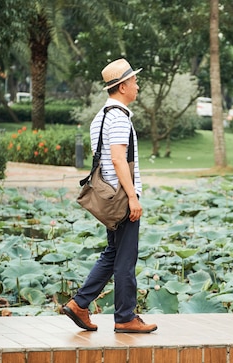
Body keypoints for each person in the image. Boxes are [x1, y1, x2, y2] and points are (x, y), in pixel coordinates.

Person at [63, 58, 157, 333]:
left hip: (110, 195)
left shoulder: (102, 116)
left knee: (113, 253)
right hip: (120, 197)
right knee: (125, 259)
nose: (137, 86)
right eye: (135, 81)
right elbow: (117, 160)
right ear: (123, 86)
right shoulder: (118, 117)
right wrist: (133, 197)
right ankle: (125, 317)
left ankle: (79, 304)